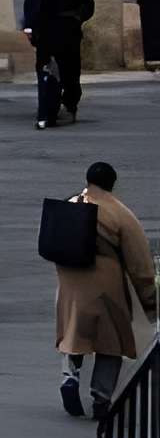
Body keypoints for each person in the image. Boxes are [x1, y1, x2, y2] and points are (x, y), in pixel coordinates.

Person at [55, 158, 157, 422]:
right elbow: (140, 263)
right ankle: (101, 397)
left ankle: (69, 377)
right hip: (106, 285)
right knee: (110, 341)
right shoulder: (120, 213)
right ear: (112, 183)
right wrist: (148, 298)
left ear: (87, 180)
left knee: (73, 333)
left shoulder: (70, 205)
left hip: (69, 281)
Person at [24, 0, 95, 127]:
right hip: (47, 35)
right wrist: (33, 30)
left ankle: (69, 105)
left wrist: (76, 18)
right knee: (47, 71)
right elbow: (34, 6)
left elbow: (88, 5)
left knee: (69, 71)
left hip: (67, 33)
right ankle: (50, 110)